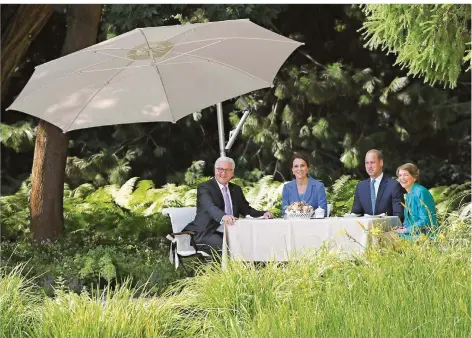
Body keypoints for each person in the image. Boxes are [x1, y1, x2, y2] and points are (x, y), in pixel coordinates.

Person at [183, 156, 273, 251]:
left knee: (253, 242)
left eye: (227, 170)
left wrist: (263, 213)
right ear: (215, 170)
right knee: (230, 246)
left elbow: (247, 210)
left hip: (231, 231)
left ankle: (252, 265)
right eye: (220, 169)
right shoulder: (204, 187)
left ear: (232, 173)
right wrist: (223, 216)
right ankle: (227, 266)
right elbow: (210, 207)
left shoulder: (236, 189)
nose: (223, 173)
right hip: (205, 233)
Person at [351, 149, 404, 219]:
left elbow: (398, 215)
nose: (369, 166)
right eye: (367, 163)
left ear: (381, 163)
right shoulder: (360, 187)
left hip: (388, 228)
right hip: (365, 228)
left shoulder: (393, 185)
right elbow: (355, 213)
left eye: (372, 162)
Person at [393, 163, 438, 239]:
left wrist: (405, 230)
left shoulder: (420, 192)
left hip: (424, 236)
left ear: (414, 177)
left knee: (384, 237)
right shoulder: (409, 194)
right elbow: (410, 221)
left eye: (405, 175)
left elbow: (426, 220)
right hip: (413, 233)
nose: (402, 178)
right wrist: (402, 228)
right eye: (400, 175)